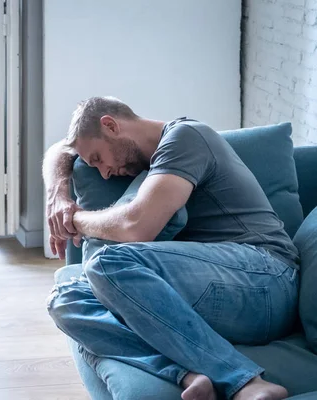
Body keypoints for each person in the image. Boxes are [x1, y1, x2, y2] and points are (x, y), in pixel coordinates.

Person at [44, 97, 300, 400]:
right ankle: (187, 374)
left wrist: (74, 219)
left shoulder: (186, 137)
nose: (104, 173)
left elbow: (136, 227)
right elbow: (60, 148)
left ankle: (244, 381)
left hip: (266, 278)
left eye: (99, 158)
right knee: (65, 299)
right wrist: (58, 192)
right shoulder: (150, 155)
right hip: (210, 287)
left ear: (111, 125)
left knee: (106, 264)